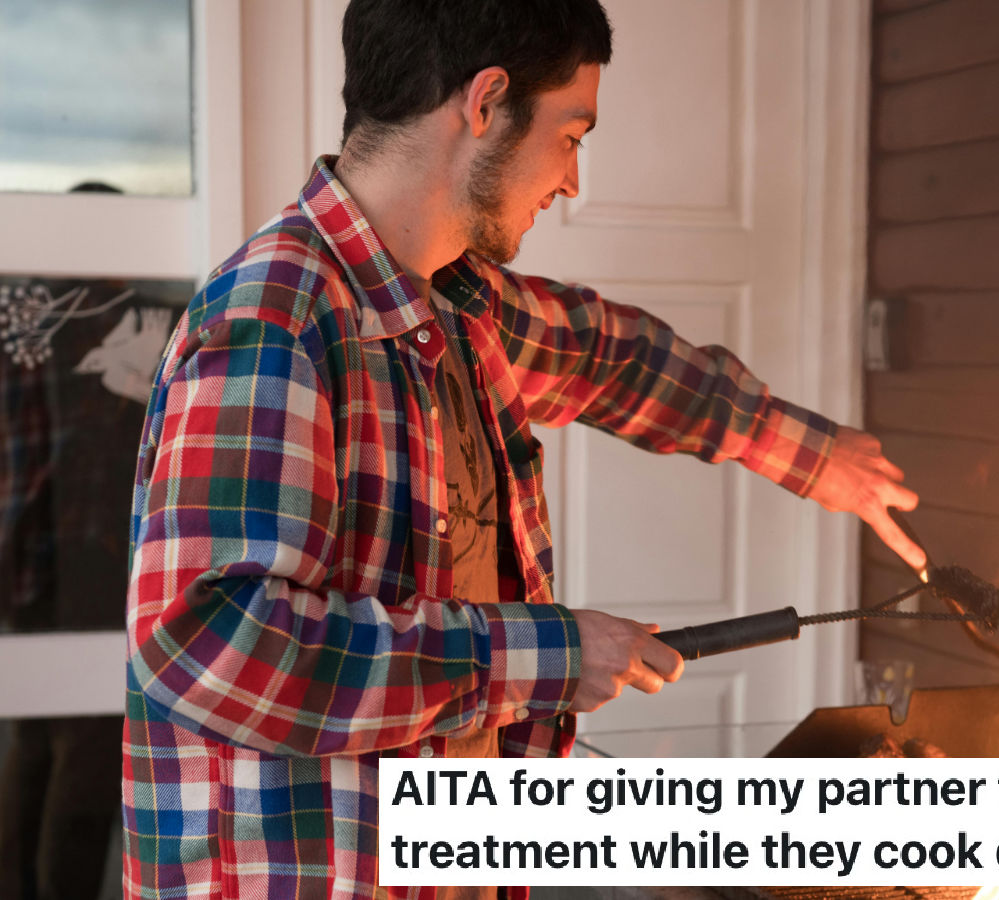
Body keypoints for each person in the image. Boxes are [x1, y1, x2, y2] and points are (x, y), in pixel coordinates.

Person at [121, 1, 923, 898]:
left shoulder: (457, 306)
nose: (572, 179)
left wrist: (813, 454)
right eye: (570, 135)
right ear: (486, 101)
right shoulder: (277, 318)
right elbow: (213, 645)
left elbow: (612, 357)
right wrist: (551, 656)